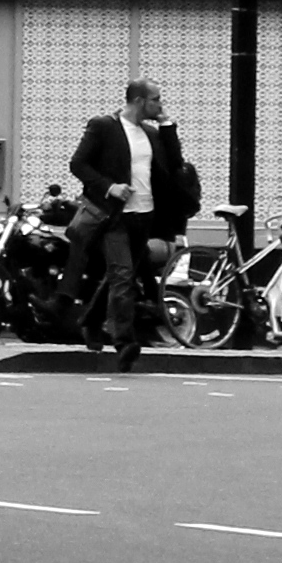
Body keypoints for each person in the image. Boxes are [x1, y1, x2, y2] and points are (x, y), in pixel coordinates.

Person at [58, 77, 191, 371]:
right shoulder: (104, 127)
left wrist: (168, 126)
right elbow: (78, 164)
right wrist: (109, 187)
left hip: (145, 216)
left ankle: (90, 321)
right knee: (122, 276)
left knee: (123, 276)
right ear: (139, 101)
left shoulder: (151, 133)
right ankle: (124, 341)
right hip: (114, 216)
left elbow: (174, 165)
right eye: (156, 99)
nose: (160, 104)